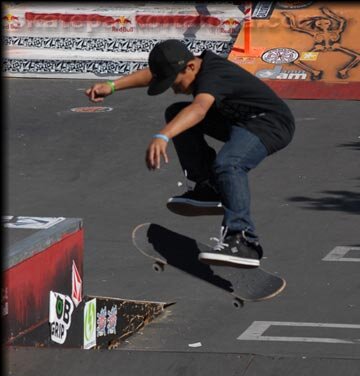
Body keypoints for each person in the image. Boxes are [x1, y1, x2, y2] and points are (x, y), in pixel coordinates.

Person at [86, 39, 295, 267]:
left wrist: (163, 136)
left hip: (270, 124)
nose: (174, 90)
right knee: (176, 111)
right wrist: (113, 86)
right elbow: (152, 76)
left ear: (190, 67)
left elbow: (199, 109)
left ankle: (243, 240)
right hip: (239, 121)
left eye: (175, 83)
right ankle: (208, 188)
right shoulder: (192, 65)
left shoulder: (213, 74)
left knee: (229, 164)